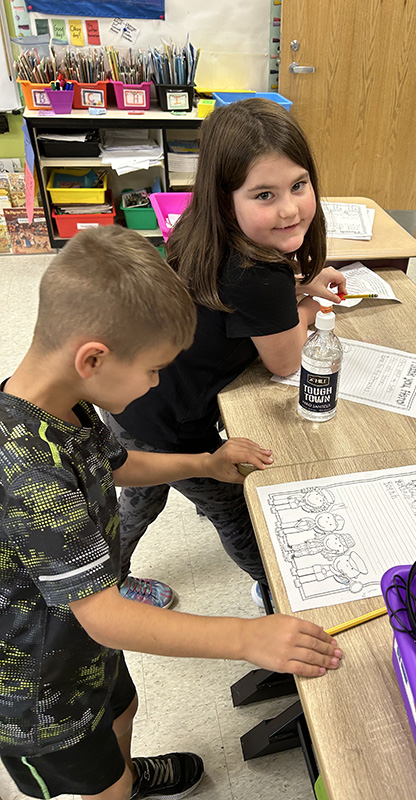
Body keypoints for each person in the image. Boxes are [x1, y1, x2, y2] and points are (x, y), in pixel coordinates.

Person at [0, 226, 343, 800]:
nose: (158, 382)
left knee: (122, 710)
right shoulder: (27, 471)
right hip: (39, 695)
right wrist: (245, 637)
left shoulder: (61, 400)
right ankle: (115, 787)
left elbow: (115, 462)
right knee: (96, 784)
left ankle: (126, 777)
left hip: (81, 650)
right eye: (154, 368)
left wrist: (205, 463)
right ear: (94, 358)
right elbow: (106, 615)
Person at [104, 98, 347, 608]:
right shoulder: (260, 272)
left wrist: (298, 295)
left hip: (132, 396)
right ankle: (278, 592)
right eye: (265, 194)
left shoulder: (204, 227)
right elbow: (285, 360)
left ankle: (112, 573)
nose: (288, 208)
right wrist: (304, 308)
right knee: (236, 514)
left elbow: (238, 309)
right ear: (226, 196)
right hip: (171, 420)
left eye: (298, 185)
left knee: (139, 496)